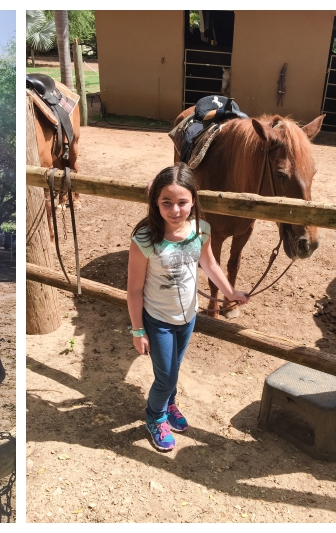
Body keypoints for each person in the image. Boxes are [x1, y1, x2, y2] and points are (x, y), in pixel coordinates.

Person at [127, 164, 248, 452]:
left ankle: (169, 404)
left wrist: (231, 292)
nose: (175, 210)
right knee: (166, 375)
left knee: (174, 368)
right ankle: (155, 417)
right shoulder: (145, 240)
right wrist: (137, 330)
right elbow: (133, 289)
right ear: (155, 202)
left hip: (188, 317)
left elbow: (209, 263)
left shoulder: (200, 230)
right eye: (166, 202)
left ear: (193, 200)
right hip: (158, 320)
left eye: (182, 202)